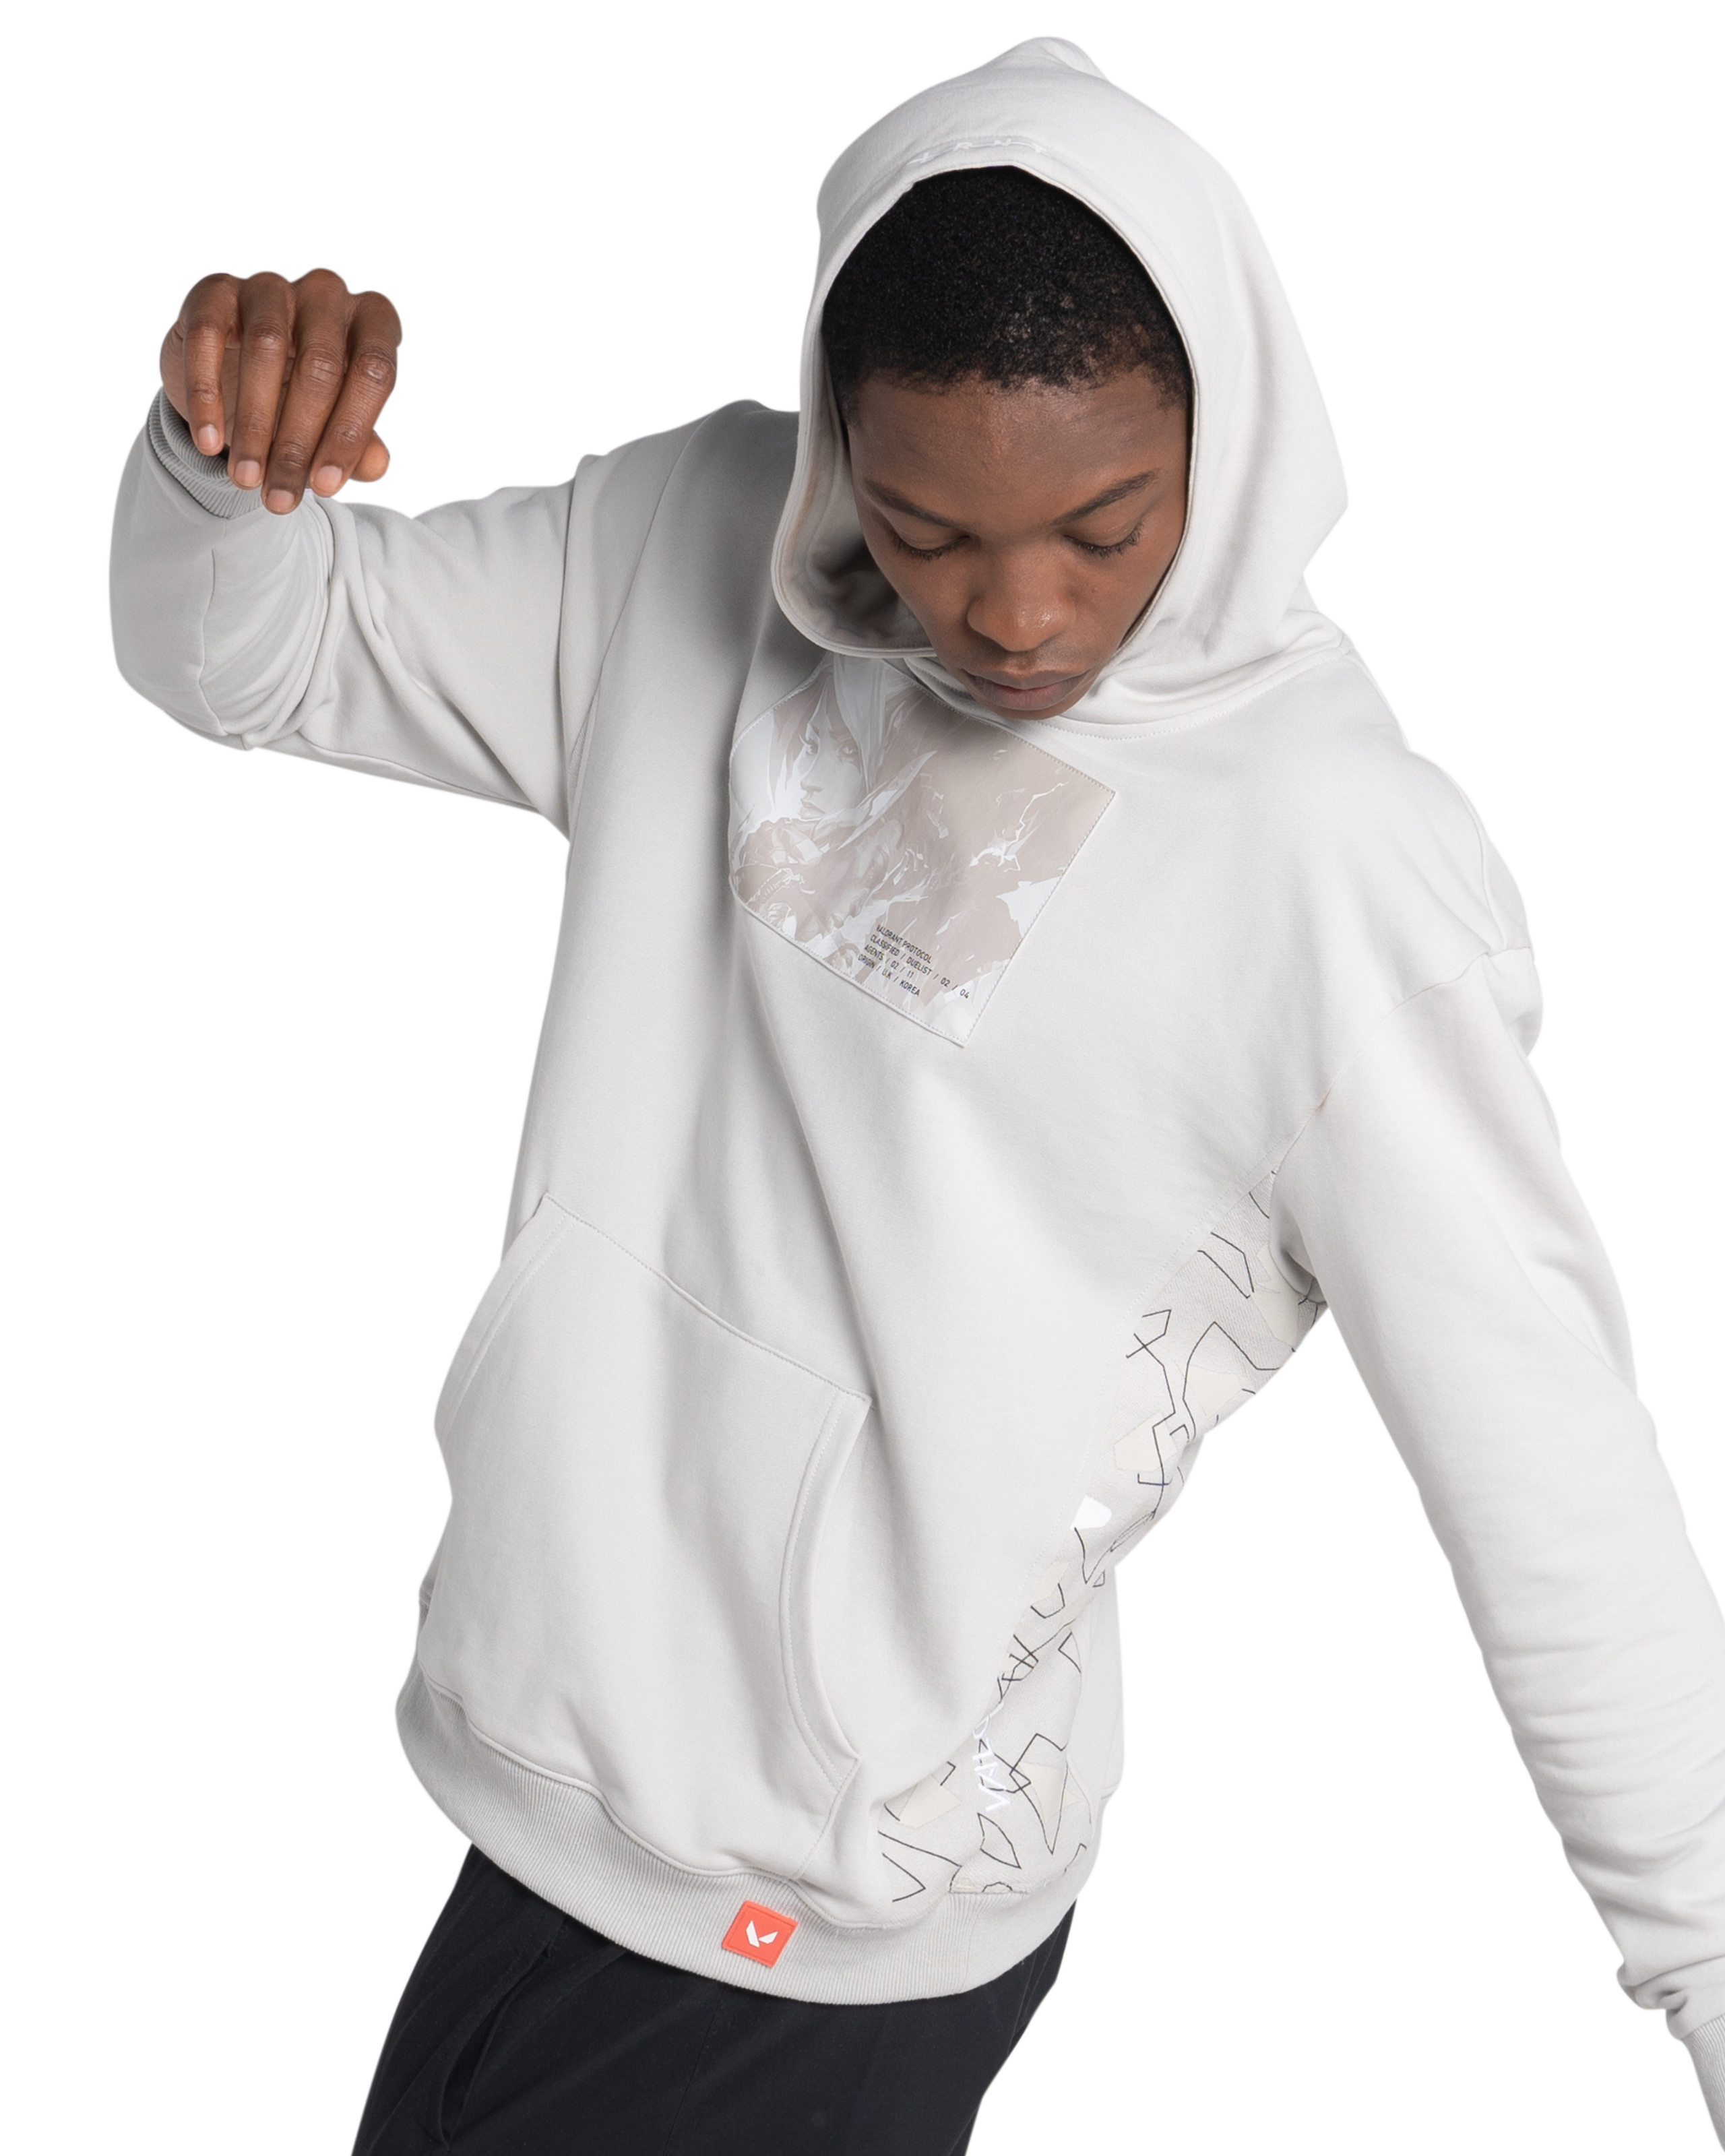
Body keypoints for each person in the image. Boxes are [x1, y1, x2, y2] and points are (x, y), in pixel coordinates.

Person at [109, 38, 1725, 2155]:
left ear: (1222, 435)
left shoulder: (1339, 874)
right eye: (929, 527)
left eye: (1104, 526)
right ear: (839, 445)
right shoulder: (683, 551)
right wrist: (225, 466)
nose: (1019, 614)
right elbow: (242, 656)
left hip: (819, 1900)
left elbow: (1554, 1485)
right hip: (569, 1809)